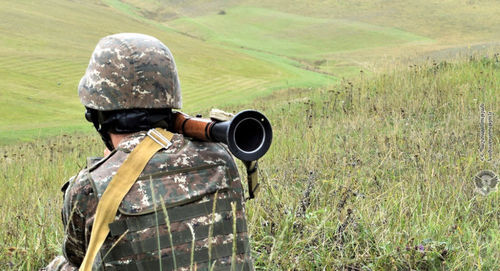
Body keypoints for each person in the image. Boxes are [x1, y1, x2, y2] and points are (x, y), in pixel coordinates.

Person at [43, 33, 253, 271]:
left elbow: (79, 259)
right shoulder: (221, 157)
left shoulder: (89, 187)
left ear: (96, 113)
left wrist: (111, 167)